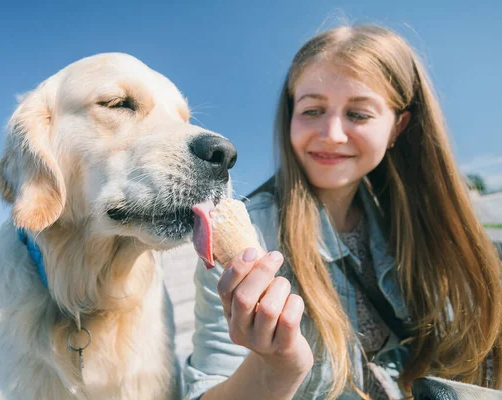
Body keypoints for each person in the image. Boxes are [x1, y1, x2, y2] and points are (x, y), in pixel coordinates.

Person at [183, 24, 502, 400]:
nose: (332, 133)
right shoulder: (247, 243)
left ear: (398, 126)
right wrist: (275, 368)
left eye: (359, 114)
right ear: (290, 116)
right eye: (312, 110)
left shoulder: (426, 224)